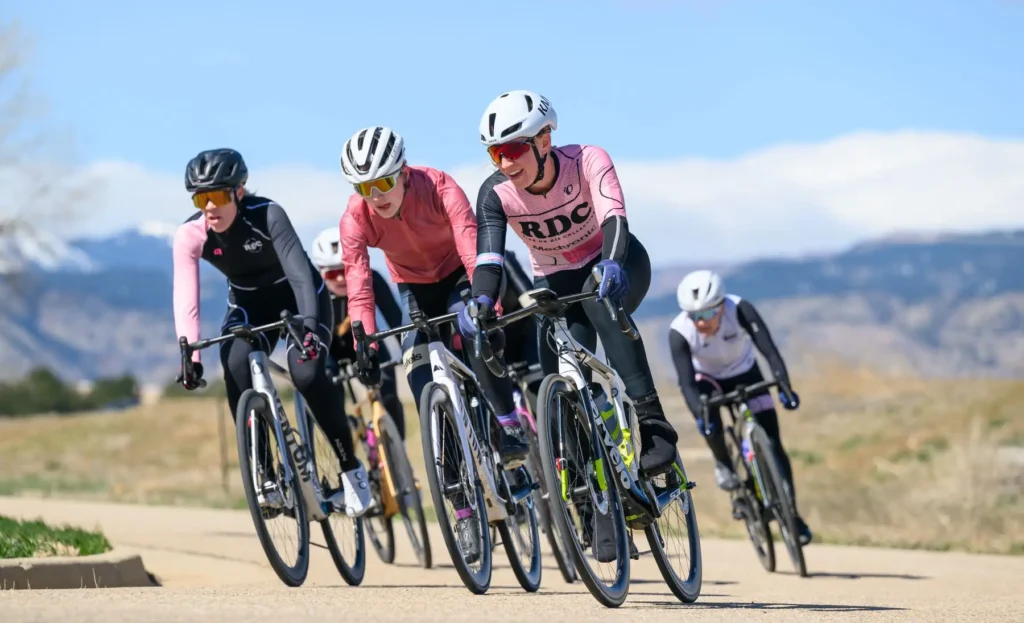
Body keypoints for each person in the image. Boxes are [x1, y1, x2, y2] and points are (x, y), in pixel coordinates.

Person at [464, 90, 681, 562]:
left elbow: (614, 220)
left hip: (614, 261)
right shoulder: (495, 194)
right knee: (565, 378)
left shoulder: (587, 160)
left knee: (604, 307)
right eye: (495, 153)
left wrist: (612, 263)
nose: (505, 162)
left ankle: (653, 424)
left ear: (544, 139)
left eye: (514, 149)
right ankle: (597, 504)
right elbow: (489, 258)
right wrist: (482, 300)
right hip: (556, 280)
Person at [337, 126, 529, 562]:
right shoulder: (355, 217)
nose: (377, 194)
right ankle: (463, 510)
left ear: (403, 172)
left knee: (473, 333)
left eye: (384, 182)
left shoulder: (440, 185)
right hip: (414, 288)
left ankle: (506, 421)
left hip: (460, 275)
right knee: (422, 378)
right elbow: (359, 283)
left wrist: (488, 308)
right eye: (365, 187)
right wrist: (363, 339)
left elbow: (469, 245)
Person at [172, 147, 372, 518]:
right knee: (234, 368)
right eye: (201, 198)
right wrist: (191, 357)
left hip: (300, 299)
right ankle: (265, 476)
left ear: (239, 191)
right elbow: (186, 299)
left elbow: (299, 274)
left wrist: (310, 329)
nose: (209, 207)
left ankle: (351, 470)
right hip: (248, 306)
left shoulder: (267, 215)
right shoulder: (190, 236)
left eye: (216, 196)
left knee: (306, 372)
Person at [669, 269, 812, 545]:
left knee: (773, 441)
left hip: (746, 372)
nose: (701, 323)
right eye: (694, 316)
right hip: (707, 379)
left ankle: (792, 516)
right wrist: (701, 415)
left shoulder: (741, 309)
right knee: (711, 418)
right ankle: (724, 463)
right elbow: (686, 384)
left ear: (722, 306)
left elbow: (769, 351)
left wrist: (785, 387)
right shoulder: (679, 332)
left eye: (708, 314)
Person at [309, 227, 406, 438]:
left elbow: (396, 320)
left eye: (345, 270)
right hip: (330, 352)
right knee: (331, 399)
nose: (342, 279)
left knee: (389, 394)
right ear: (320, 274)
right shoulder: (313, 290)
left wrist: (409, 352)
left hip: (366, 345)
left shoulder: (372, 278)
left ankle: (401, 459)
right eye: (332, 274)